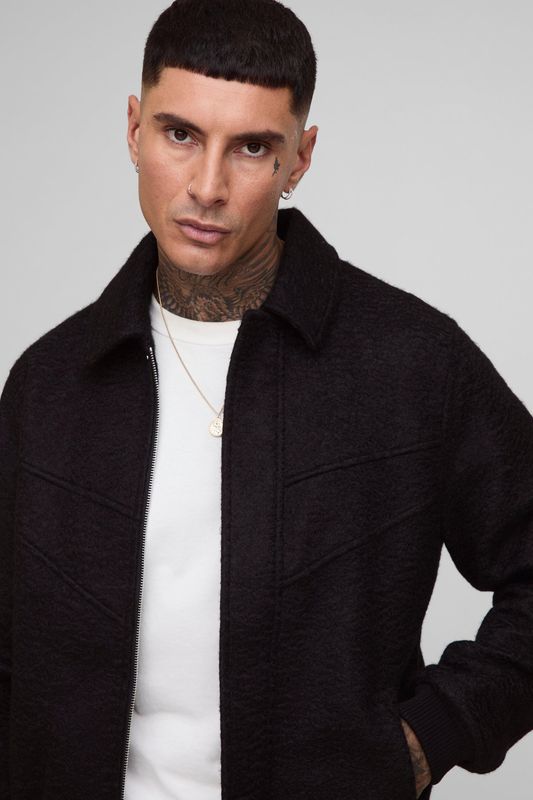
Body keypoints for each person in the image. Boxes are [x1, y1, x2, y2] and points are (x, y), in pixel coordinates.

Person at [1, 1, 532, 798]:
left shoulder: (411, 362)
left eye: (251, 147)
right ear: (134, 130)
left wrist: (428, 739)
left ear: (299, 159)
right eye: (180, 134)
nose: (206, 187)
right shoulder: (50, 381)